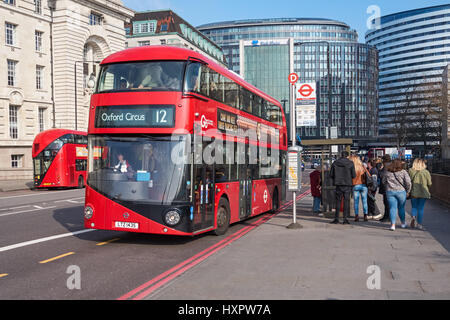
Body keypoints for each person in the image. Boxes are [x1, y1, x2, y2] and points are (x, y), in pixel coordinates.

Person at [382, 159, 411, 231]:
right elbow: (408, 183)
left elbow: (383, 181)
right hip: (401, 191)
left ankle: (392, 225)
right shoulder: (403, 172)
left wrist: (388, 186)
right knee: (401, 208)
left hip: (390, 191)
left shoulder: (387, 172)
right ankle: (403, 223)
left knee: (392, 208)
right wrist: (408, 191)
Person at [330, 151, 356, 224]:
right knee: (346, 201)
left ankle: (336, 218)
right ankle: (345, 219)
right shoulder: (350, 163)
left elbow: (331, 174)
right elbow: (354, 175)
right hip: (347, 184)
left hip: (338, 184)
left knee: (338, 201)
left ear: (341, 155)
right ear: (347, 156)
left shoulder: (335, 163)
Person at [408, 158, 432, 230]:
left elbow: (408, 181)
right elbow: (429, 183)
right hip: (423, 193)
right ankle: (419, 224)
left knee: (414, 207)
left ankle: (413, 217)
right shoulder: (426, 172)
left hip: (414, 192)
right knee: (421, 208)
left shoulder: (410, 171)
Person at [349, 155, 368, 222]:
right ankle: (365, 215)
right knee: (364, 201)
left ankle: (356, 216)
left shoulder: (352, 168)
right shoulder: (363, 167)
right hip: (363, 185)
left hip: (355, 185)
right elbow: (368, 175)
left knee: (356, 202)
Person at [378, 154, 392, 222]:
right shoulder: (392, 165)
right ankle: (387, 216)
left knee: (386, 203)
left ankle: (387, 217)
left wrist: (380, 171)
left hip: (386, 187)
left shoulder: (385, 166)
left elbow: (382, 176)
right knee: (388, 203)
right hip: (392, 186)